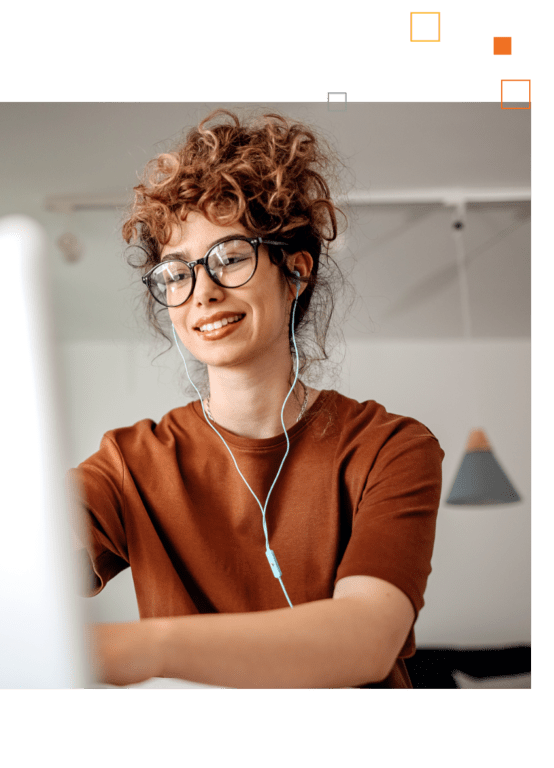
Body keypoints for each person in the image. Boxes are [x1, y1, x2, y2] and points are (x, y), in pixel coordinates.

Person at [67, 109, 444, 689]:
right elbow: (2, 566)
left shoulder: (390, 448)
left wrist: (144, 648)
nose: (204, 293)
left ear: (295, 271)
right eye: (177, 272)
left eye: (232, 258)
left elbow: (367, 639)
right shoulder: (128, 465)